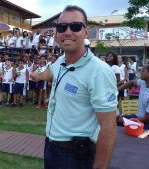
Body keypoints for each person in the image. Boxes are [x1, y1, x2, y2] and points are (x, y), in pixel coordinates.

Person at [31, 5, 117, 169]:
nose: (67, 32)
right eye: (62, 27)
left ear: (86, 31)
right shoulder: (61, 62)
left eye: (75, 26)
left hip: (75, 157)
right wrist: (36, 75)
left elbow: (109, 128)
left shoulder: (99, 71)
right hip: (51, 146)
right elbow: (49, 73)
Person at [117, 61, 149, 131]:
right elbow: (132, 83)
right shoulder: (145, 82)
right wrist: (116, 90)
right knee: (116, 120)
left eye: (143, 70)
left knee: (122, 126)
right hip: (141, 117)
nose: (140, 72)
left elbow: (147, 119)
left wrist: (125, 121)